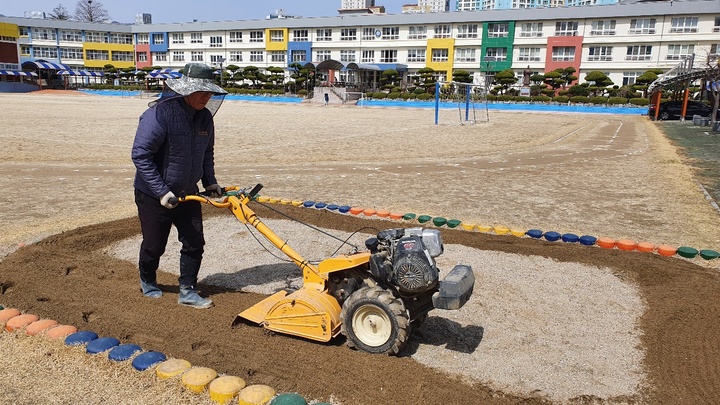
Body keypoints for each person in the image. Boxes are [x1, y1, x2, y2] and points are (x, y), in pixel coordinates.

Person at [131, 62, 227, 309]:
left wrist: (210, 182)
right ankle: (148, 279)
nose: (206, 96)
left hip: (187, 194)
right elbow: (141, 155)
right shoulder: (158, 114)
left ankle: (187, 290)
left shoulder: (205, 117)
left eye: (209, 92)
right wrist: (162, 192)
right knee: (154, 244)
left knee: (195, 242)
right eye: (200, 91)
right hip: (154, 194)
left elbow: (207, 153)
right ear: (185, 89)